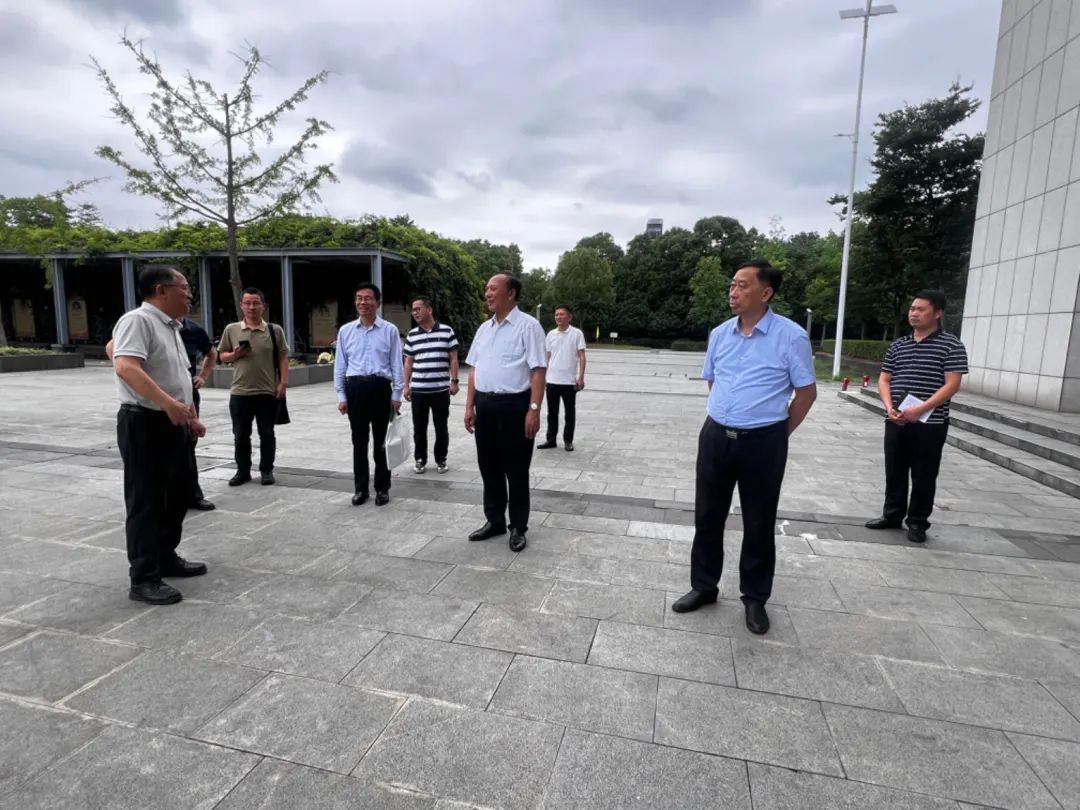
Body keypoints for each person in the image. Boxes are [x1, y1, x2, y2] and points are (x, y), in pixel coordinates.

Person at [671, 259, 817, 635]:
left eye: (742, 285)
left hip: (764, 441)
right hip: (716, 436)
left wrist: (777, 433)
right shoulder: (720, 333)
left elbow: (806, 393)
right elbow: (713, 381)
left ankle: (754, 597)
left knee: (758, 522)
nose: (733, 292)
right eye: (732, 284)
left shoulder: (791, 336)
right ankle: (704, 586)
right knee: (707, 516)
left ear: (765, 293)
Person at [111, 265, 208, 606]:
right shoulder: (137, 321)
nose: (189, 294)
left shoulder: (171, 326)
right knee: (147, 500)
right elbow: (125, 365)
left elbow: (176, 376)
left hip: (174, 422)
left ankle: (165, 555)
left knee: (178, 494)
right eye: (184, 287)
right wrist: (167, 404)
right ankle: (143, 577)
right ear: (161, 289)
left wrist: (189, 416)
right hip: (145, 422)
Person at [865, 290, 968, 544]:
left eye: (921, 309)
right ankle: (892, 515)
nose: (914, 313)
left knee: (924, 474)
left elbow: (952, 384)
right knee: (894, 470)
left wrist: (920, 409)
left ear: (938, 313)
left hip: (930, 423)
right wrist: (889, 407)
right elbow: (884, 379)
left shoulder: (951, 345)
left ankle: (918, 522)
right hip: (896, 419)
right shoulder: (899, 344)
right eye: (912, 309)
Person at [464, 273, 547, 552]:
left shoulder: (529, 326)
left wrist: (534, 409)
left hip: (515, 407)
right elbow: (474, 369)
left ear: (511, 294)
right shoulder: (484, 329)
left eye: (493, 288)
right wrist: (469, 406)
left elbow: (538, 371)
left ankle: (518, 526)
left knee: (517, 469)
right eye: (486, 288)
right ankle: (495, 520)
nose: (487, 293)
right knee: (489, 467)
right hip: (485, 406)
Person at [334, 282, 404, 506]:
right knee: (359, 442)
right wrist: (342, 396)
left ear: (378, 302)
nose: (363, 302)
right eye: (359, 298)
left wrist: (397, 394)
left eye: (368, 298)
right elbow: (340, 366)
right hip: (355, 389)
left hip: (380, 388)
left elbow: (397, 364)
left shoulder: (389, 330)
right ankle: (360, 489)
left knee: (382, 442)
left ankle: (382, 488)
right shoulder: (346, 331)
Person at [217, 287, 289, 486]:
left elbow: (283, 357)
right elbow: (221, 356)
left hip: (267, 391)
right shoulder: (232, 329)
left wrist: (283, 382)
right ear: (241, 306)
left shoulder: (274, 330)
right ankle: (243, 471)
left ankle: (266, 470)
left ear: (263, 306)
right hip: (240, 392)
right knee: (240, 435)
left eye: (256, 303)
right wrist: (234, 355)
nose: (251, 307)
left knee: (267, 434)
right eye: (247, 303)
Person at [403, 297, 460, 474]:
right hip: (419, 390)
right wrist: (406, 385)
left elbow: (453, 358)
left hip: (440, 390)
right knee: (419, 428)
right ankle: (420, 459)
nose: (415, 312)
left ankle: (441, 458)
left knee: (441, 427)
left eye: (418, 308)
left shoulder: (447, 331)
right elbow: (408, 362)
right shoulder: (412, 335)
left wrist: (454, 381)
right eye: (413, 310)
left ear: (429, 310)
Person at [538, 304, 586, 452]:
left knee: (569, 412)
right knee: (552, 412)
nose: (558, 317)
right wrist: (543, 377)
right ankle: (551, 439)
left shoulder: (577, 333)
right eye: (556, 314)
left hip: (569, 381)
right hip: (552, 380)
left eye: (562, 314)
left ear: (569, 317)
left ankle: (568, 440)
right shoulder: (551, 334)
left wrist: (580, 377)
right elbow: (547, 356)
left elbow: (582, 356)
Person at [180, 317, 218, 510]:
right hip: (155, 396)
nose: (187, 303)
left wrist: (202, 376)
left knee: (188, 444)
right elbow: (113, 347)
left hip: (187, 395)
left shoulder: (193, 329)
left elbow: (212, 353)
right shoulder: (148, 323)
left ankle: (192, 495)